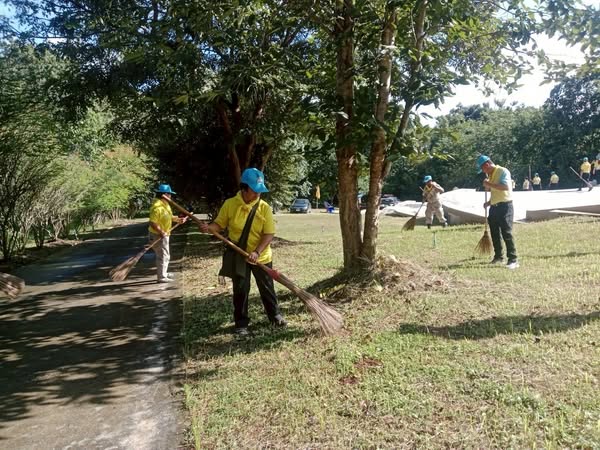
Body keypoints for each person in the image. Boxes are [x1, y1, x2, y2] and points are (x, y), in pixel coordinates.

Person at [199, 168, 286, 336]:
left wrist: (257, 252)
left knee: (267, 287)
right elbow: (219, 225)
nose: (258, 194)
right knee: (241, 289)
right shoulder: (230, 204)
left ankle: (275, 316)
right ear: (244, 188)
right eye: (254, 190)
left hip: (261, 255)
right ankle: (241, 323)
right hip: (239, 255)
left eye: (260, 190)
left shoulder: (264, 208)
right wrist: (208, 228)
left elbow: (269, 234)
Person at [477, 155, 519, 269]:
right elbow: (496, 192)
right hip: (494, 207)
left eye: (483, 169)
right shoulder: (490, 175)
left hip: (505, 206)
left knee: (506, 232)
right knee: (494, 233)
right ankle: (498, 257)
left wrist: (488, 184)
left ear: (487, 165)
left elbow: (505, 187)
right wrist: (489, 202)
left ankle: (513, 259)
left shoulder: (503, 171)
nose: (483, 172)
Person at [149, 184, 187, 283]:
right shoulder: (157, 207)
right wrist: (161, 232)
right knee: (163, 255)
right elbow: (153, 223)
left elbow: (169, 217)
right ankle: (161, 277)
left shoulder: (165, 204)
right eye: (169, 194)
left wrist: (178, 219)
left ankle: (164, 273)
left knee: (165, 254)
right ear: (164, 195)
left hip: (164, 234)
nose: (170, 196)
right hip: (157, 235)